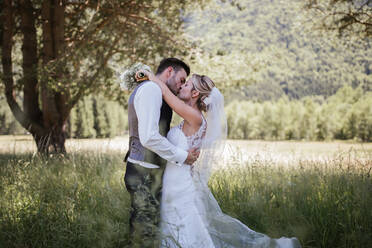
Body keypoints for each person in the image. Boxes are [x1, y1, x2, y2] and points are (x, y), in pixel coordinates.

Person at [139, 69, 302, 248]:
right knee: (177, 227)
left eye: (186, 84)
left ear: (195, 93)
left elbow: (166, 94)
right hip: (175, 182)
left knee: (184, 228)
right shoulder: (189, 118)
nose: (182, 86)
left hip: (178, 186)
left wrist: (151, 76)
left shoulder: (195, 118)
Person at [123, 58, 200, 248]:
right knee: (144, 233)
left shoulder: (153, 89)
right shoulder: (151, 90)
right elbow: (149, 137)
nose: (181, 85)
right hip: (144, 172)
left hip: (145, 170)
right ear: (169, 72)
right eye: (181, 80)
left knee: (144, 229)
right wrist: (182, 156)